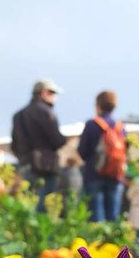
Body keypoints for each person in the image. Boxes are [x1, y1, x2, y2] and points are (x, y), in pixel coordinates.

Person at [11, 78, 67, 211]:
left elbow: (14, 144)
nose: (54, 98)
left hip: (25, 164)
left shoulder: (18, 115)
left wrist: (23, 157)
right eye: (52, 93)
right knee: (43, 208)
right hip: (45, 168)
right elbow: (58, 140)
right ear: (43, 93)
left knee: (25, 205)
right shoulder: (47, 113)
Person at [77, 91, 126, 222]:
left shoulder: (92, 124)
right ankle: (113, 242)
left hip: (94, 175)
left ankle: (97, 241)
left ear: (98, 105)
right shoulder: (120, 127)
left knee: (96, 217)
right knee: (113, 217)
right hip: (116, 175)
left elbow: (82, 151)